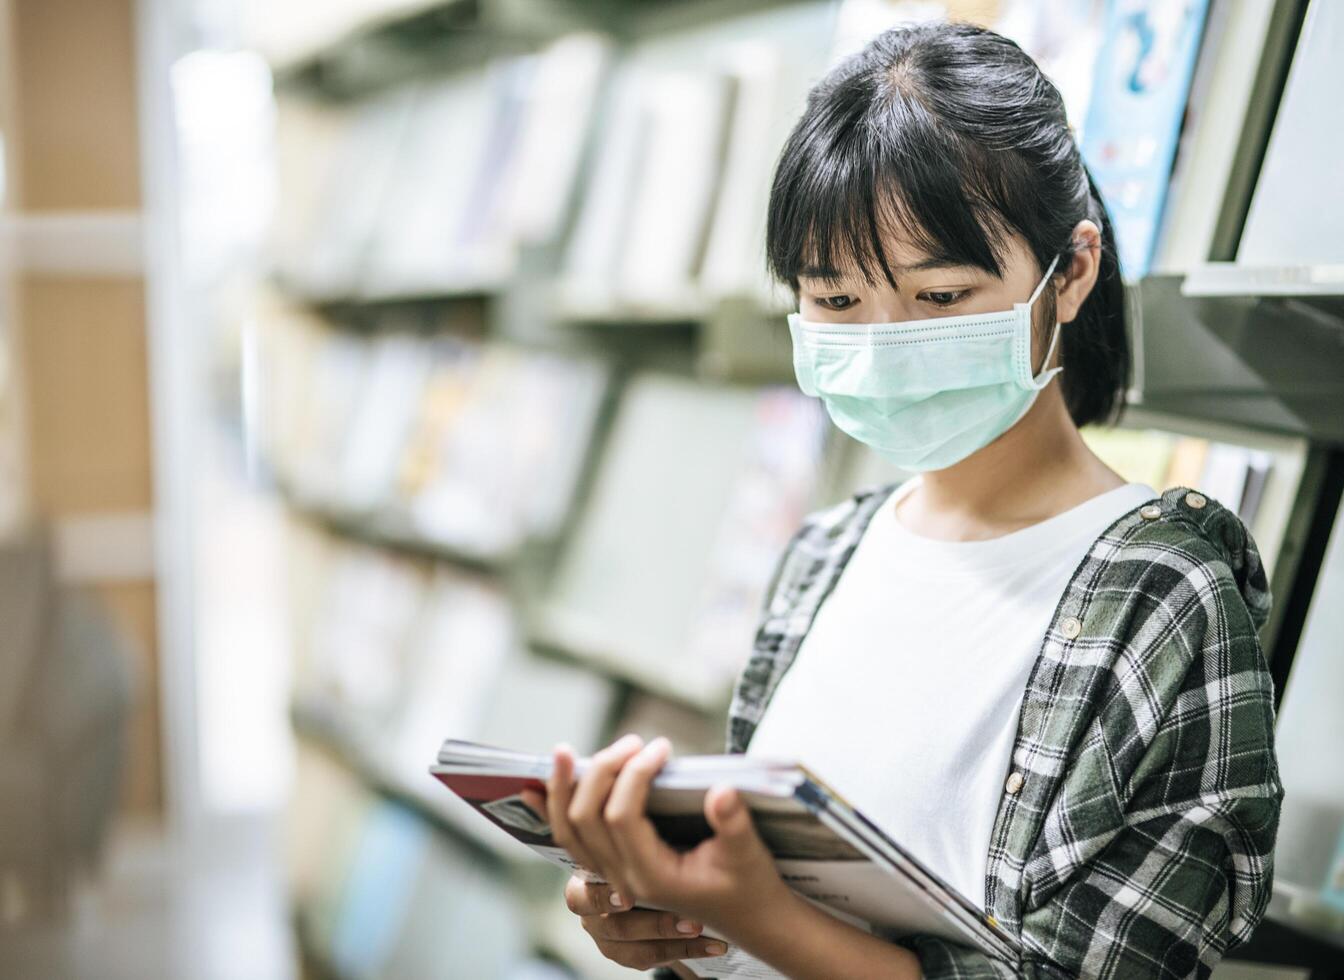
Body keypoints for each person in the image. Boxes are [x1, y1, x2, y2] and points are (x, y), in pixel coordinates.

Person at [518, 19, 1283, 980]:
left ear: (1071, 272)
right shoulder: (823, 555)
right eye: (835, 303)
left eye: (938, 298)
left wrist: (758, 917)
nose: (884, 344)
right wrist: (672, 924)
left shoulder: (1164, 595)